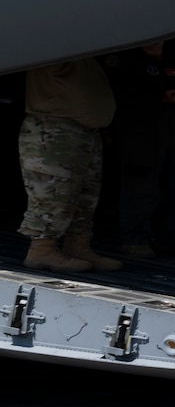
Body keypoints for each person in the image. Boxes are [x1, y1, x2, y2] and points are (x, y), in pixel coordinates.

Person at [106, 42, 175, 259]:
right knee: (141, 186)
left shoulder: (174, 59)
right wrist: (161, 99)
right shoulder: (125, 60)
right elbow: (120, 94)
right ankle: (135, 239)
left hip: (173, 126)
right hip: (140, 129)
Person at [17, 59, 120, 273]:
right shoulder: (58, 40)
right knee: (53, 192)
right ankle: (41, 249)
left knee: (85, 194)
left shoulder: (91, 48)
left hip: (84, 131)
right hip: (55, 127)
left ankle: (77, 245)